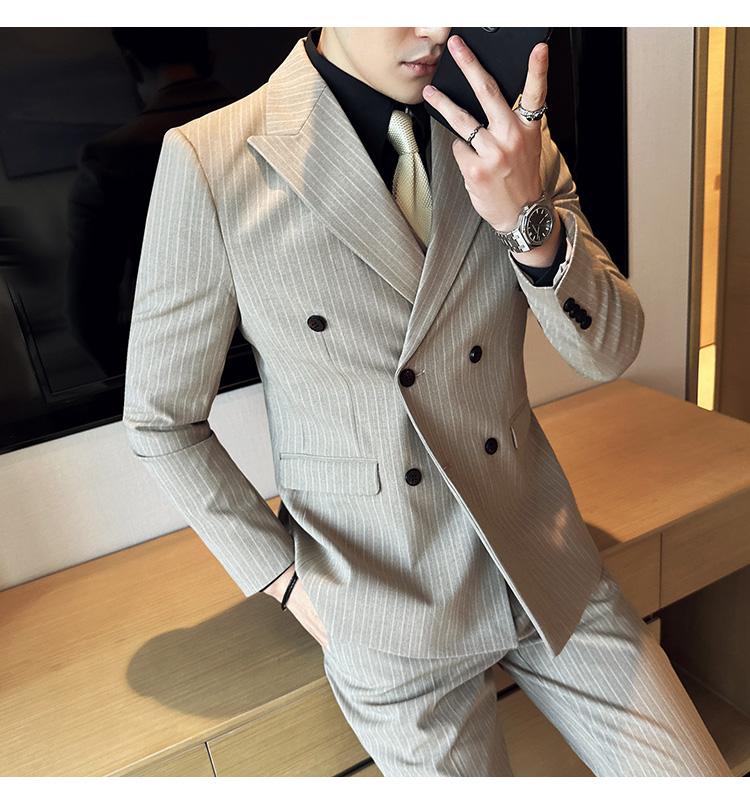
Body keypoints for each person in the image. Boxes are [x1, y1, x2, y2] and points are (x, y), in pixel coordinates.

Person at [122, 27, 732, 777]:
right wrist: (288, 583)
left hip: (541, 563)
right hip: (389, 604)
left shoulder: (507, 130)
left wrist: (527, 219)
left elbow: (608, 349)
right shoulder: (213, 158)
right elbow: (161, 418)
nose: (437, 26)